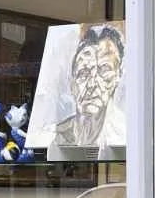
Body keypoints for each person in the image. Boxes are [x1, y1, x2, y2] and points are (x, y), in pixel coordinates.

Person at [52, 23, 125, 154]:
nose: (91, 84)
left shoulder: (125, 134)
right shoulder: (56, 134)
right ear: (72, 82)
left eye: (104, 70)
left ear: (117, 76)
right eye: (84, 72)